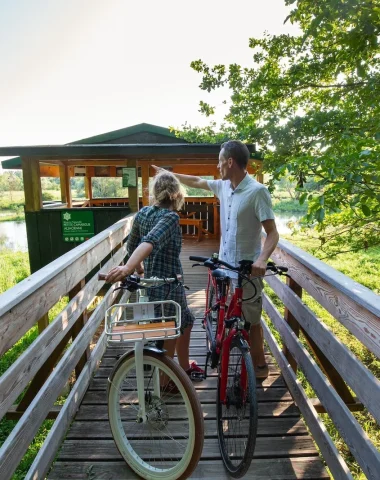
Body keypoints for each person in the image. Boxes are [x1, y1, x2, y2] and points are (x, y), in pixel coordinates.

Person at [152, 140, 279, 379]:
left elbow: (272, 233)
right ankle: (220, 339)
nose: (217, 166)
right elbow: (198, 182)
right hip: (224, 263)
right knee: (227, 309)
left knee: (251, 320)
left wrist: (262, 260)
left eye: (220, 161)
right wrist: (169, 174)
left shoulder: (257, 192)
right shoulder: (223, 187)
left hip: (247, 268)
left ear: (230, 162)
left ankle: (259, 364)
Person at [105, 169, 204, 382]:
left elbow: (133, 245)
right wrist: (129, 268)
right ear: (177, 195)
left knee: (187, 321)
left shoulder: (143, 214)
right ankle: (166, 381)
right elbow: (150, 241)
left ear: (155, 193)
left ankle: (184, 369)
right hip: (168, 285)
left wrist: (139, 268)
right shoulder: (170, 217)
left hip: (151, 284)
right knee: (171, 331)